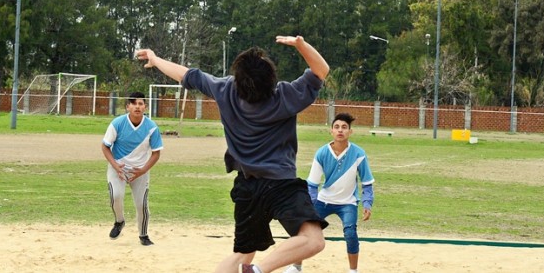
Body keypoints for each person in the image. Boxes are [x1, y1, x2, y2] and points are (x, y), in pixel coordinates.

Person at [136, 35, 330, 273]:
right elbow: (321, 70)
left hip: (247, 189)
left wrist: (155, 59)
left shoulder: (226, 89)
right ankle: (256, 271)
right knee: (313, 240)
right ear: (271, 79)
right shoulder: (285, 96)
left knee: (242, 254)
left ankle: (251, 268)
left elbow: (186, 75)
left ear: (239, 78)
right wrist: (301, 45)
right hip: (281, 185)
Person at [284, 112, 375, 273]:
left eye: (344, 127)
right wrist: (310, 206)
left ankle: (353, 270)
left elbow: (367, 183)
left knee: (350, 233)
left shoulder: (359, 154)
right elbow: (312, 184)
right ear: (331, 131)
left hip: (348, 203)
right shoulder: (322, 153)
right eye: (337, 127)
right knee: (303, 230)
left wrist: (367, 203)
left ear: (350, 132)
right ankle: (296, 266)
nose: (340, 130)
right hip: (323, 201)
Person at [101, 91, 164, 246]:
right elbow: (105, 146)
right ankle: (119, 221)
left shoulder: (151, 127)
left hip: (140, 170)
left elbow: (156, 153)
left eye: (141, 103)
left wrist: (143, 170)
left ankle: (143, 235)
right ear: (127, 106)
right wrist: (116, 166)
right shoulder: (117, 123)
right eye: (134, 103)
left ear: (145, 107)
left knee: (141, 204)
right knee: (116, 195)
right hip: (118, 168)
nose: (137, 106)